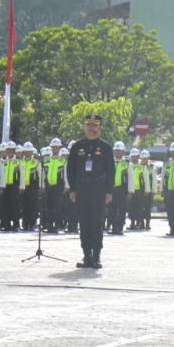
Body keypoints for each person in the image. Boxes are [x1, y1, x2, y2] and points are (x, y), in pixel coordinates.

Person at [67, 114, 114, 269]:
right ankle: (87, 255)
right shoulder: (77, 146)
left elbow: (110, 171)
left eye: (94, 125)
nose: (91, 127)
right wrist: (73, 189)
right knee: (85, 222)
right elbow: (71, 169)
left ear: (100, 128)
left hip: (98, 189)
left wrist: (108, 191)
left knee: (97, 222)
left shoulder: (105, 147)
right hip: (82, 189)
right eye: (88, 124)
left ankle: (97, 256)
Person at [42, 138, 67, 234]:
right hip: (49, 186)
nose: (54, 149)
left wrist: (66, 185)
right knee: (49, 207)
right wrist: (43, 186)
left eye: (56, 147)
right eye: (53, 147)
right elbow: (44, 173)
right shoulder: (47, 159)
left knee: (57, 207)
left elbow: (65, 173)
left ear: (59, 148)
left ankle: (57, 225)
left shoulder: (62, 159)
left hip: (58, 186)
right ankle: (49, 226)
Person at [18, 141, 42, 231]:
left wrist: (40, 187)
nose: (28, 153)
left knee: (33, 206)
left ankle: (32, 223)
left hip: (33, 186)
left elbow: (40, 175)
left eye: (29, 151)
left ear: (32, 152)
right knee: (24, 206)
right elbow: (20, 175)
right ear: (23, 152)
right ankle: (25, 224)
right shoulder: (21, 161)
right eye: (26, 151)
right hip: (23, 187)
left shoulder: (36, 162)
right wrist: (21, 187)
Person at [109, 141, 129, 235]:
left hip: (122, 189)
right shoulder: (109, 162)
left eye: (119, 150)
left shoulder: (127, 163)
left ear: (123, 151)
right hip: (111, 189)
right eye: (116, 150)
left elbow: (131, 178)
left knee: (122, 209)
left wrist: (131, 190)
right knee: (111, 209)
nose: (117, 152)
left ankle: (120, 227)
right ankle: (114, 227)